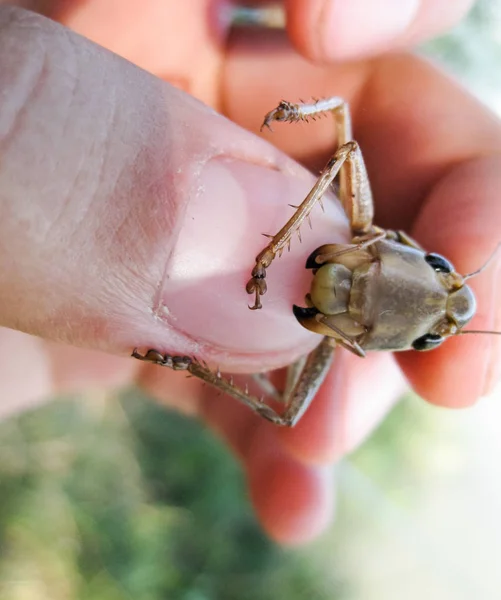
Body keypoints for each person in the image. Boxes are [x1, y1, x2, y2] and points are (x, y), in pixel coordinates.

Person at [1, 0, 499, 545]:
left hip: (325, 310)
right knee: (342, 132)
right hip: (334, 284)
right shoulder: (377, 230)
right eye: (441, 272)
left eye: (429, 333)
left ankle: (186, 356)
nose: (435, 299)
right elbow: (340, 122)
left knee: (292, 413)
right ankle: (190, 354)